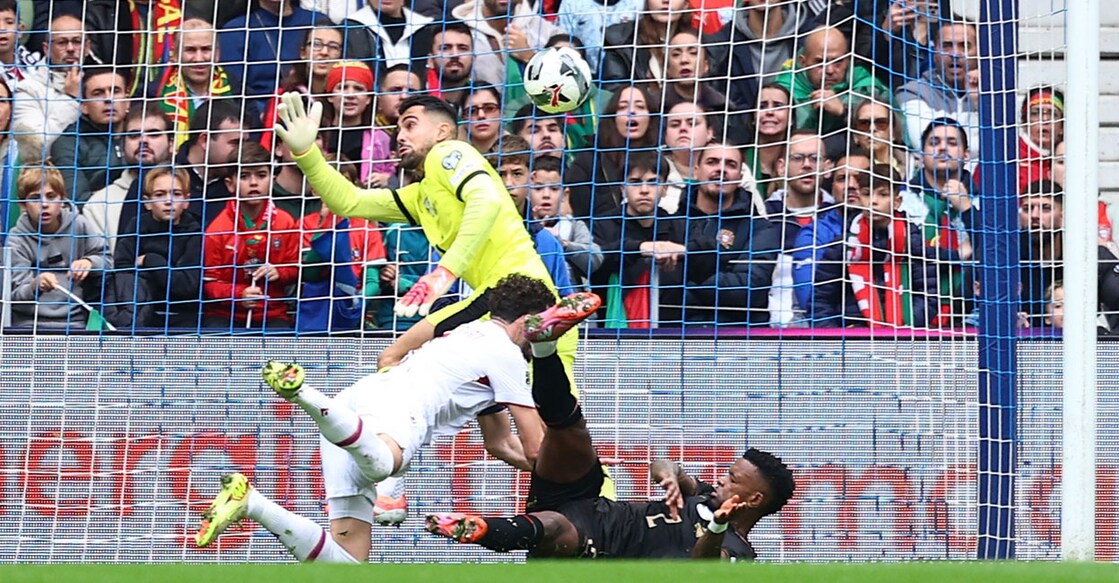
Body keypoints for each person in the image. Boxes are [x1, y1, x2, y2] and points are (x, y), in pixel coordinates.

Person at [194, 278, 596, 563]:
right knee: (388, 461)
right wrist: (578, 474)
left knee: (349, 560)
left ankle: (254, 503)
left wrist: (541, 468)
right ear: (529, 322)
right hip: (395, 407)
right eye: (545, 327)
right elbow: (534, 446)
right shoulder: (506, 354)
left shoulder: (471, 340)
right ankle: (304, 394)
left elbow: (501, 444)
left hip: (356, 403)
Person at [424, 311, 795, 560]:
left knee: (552, 525)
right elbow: (664, 463)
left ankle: (480, 529)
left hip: (596, 547)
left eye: (732, 479)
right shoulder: (703, 495)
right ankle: (544, 346)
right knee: (569, 430)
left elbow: (703, 566)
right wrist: (668, 474)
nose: (720, 479)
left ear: (754, 498)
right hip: (591, 502)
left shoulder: (737, 551)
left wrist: (718, 524)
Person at [273, 92, 580, 383]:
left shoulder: (449, 152)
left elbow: (486, 201)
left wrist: (443, 272)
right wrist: (306, 153)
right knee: (516, 433)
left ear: (443, 131)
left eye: (410, 125)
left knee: (394, 356)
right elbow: (350, 202)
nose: (400, 136)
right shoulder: (422, 195)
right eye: (397, 129)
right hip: (497, 308)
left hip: (520, 301)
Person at [201, 142, 300, 331]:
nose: (253, 183)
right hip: (225, 314)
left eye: (261, 175)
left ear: (272, 179)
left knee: (281, 349)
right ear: (230, 184)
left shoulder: (285, 222)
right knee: (215, 348)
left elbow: (296, 268)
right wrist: (239, 294)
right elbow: (210, 284)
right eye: (244, 176)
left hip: (272, 313)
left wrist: (280, 272)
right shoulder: (217, 230)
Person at [7, 164, 111, 329]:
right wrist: (35, 285)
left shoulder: (79, 225)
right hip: (29, 324)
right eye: (35, 198)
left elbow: (108, 260)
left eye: (51, 196)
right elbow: (14, 296)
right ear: (22, 205)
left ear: (62, 200)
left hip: (75, 322)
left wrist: (90, 262)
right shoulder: (16, 239)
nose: (44, 204)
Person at [105, 167, 203, 330]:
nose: (168, 201)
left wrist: (150, 260)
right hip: (138, 314)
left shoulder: (194, 231)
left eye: (176, 194)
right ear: (147, 202)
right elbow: (123, 272)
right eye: (159, 194)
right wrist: (168, 272)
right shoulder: (137, 225)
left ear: (187, 201)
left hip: (183, 316)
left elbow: (186, 286)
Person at [763, 130, 836, 327]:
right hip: (769, 333)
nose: (807, 165)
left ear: (827, 167)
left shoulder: (841, 220)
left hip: (826, 332)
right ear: (781, 167)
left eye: (815, 158)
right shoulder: (762, 217)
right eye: (797, 158)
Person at [488, 137, 575, 298]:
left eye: (517, 173)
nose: (508, 183)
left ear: (532, 178)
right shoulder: (466, 234)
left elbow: (564, 301)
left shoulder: (547, 243)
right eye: (500, 174)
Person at [83, 106, 174, 253]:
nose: (143, 141)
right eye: (134, 135)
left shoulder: (189, 193)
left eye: (153, 134)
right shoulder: (99, 204)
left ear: (171, 144)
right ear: (122, 144)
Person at [772, 25, 889, 135]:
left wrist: (844, 111)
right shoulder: (784, 90)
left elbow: (892, 131)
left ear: (848, 60)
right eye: (820, 62)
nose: (830, 70)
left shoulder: (866, 84)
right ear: (803, 62)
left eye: (838, 62)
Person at [894, 20, 978, 153]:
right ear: (934, 53)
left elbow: (1003, 143)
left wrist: (978, 102)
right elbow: (925, 147)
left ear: (978, 52)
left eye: (964, 46)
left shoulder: (994, 92)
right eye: (947, 46)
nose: (955, 54)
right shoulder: (912, 92)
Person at [50, 64, 130, 202]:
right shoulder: (69, 142)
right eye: (98, 93)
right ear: (84, 106)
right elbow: (78, 200)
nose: (108, 99)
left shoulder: (145, 132)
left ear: (127, 101)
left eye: (115, 91)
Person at [12, 13, 89, 154]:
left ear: (88, 47)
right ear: (46, 49)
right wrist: (70, 99)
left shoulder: (105, 83)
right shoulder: (27, 89)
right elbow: (35, 146)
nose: (71, 48)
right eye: (62, 42)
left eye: (77, 41)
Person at [153, 17, 234, 149]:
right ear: (175, 55)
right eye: (190, 50)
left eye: (206, 49)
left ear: (217, 54)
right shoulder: (154, 92)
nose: (199, 59)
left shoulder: (239, 90)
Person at [530, 154, 602, 292]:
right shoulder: (520, 225)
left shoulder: (575, 226)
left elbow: (595, 259)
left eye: (554, 189)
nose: (546, 195)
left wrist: (564, 244)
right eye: (538, 188)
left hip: (573, 304)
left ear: (565, 195)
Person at [451, 0, 563, 88]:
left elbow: (570, 82)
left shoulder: (548, 32)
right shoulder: (457, 33)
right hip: (479, 114)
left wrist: (529, 56)